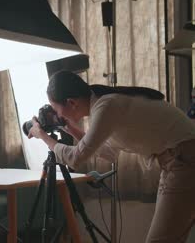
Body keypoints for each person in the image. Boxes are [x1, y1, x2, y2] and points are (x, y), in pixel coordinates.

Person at [27, 71, 195, 243]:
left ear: (71, 102)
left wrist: (43, 136)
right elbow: (109, 154)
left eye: (56, 109)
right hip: (178, 160)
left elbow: (75, 159)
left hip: (184, 159)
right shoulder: (104, 105)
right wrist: (70, 129)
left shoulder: (106, 106)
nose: (59, 116)